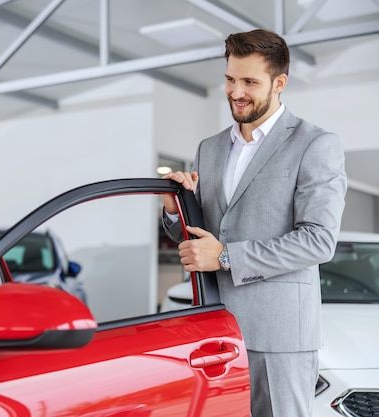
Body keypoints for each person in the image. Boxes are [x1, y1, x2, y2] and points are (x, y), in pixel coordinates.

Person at [161, 29, 346, 417]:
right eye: (230, 79)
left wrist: (226, 256)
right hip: (213, 332)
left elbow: (317, 240)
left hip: (280, 337)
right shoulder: (209, 149)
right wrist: (176, 212)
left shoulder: (315, 144)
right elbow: (201, 240)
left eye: (249, 82)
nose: (236, 91)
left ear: (280, 83)